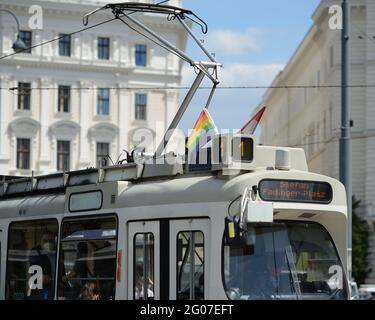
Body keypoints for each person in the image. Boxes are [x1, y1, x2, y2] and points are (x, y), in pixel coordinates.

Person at [27, 231, 56, 300]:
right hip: (39, 289)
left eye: (50, 241)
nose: (48, 243)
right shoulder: (36, 252)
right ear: (40, 242)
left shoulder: (55, 252)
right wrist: (40, 277)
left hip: (53, 287)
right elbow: (33, 269)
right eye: (45, 241)